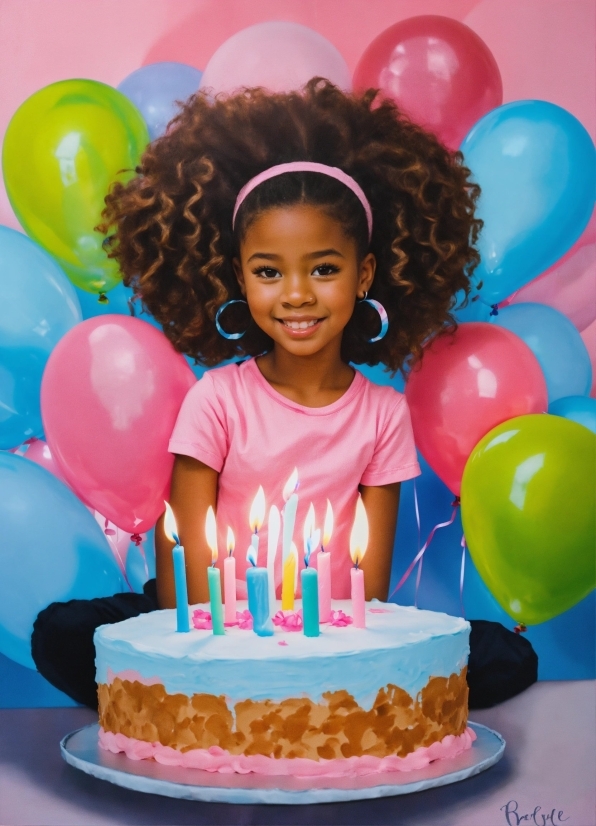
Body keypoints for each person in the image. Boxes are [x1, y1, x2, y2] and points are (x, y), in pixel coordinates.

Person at [32, 78, 487, 709]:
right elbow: (182, 557)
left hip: (329, 642)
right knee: (68, 632)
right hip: (210, 633)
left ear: (366, 276)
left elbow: (372, 587)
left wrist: (341, 656)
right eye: (269, 272)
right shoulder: (217, 400)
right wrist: (215, 660)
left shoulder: (383, 416)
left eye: (323, 269)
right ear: (239, 278)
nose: (296, 294)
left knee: (495, 657)